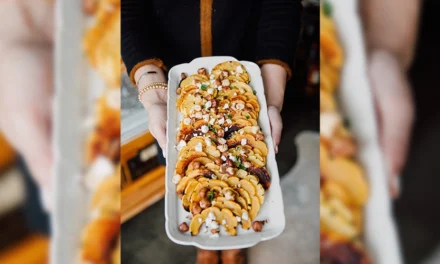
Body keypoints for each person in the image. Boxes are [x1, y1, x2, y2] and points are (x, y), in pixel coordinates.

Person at [121, 0, 302, 263]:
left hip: (249, 74)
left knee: (253, 165)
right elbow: (127, 10)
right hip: (176, 87)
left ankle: (234, 239)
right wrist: (150, 85)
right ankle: (205, 237)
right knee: (182, 167)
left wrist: (271, 101)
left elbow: (281, 7)